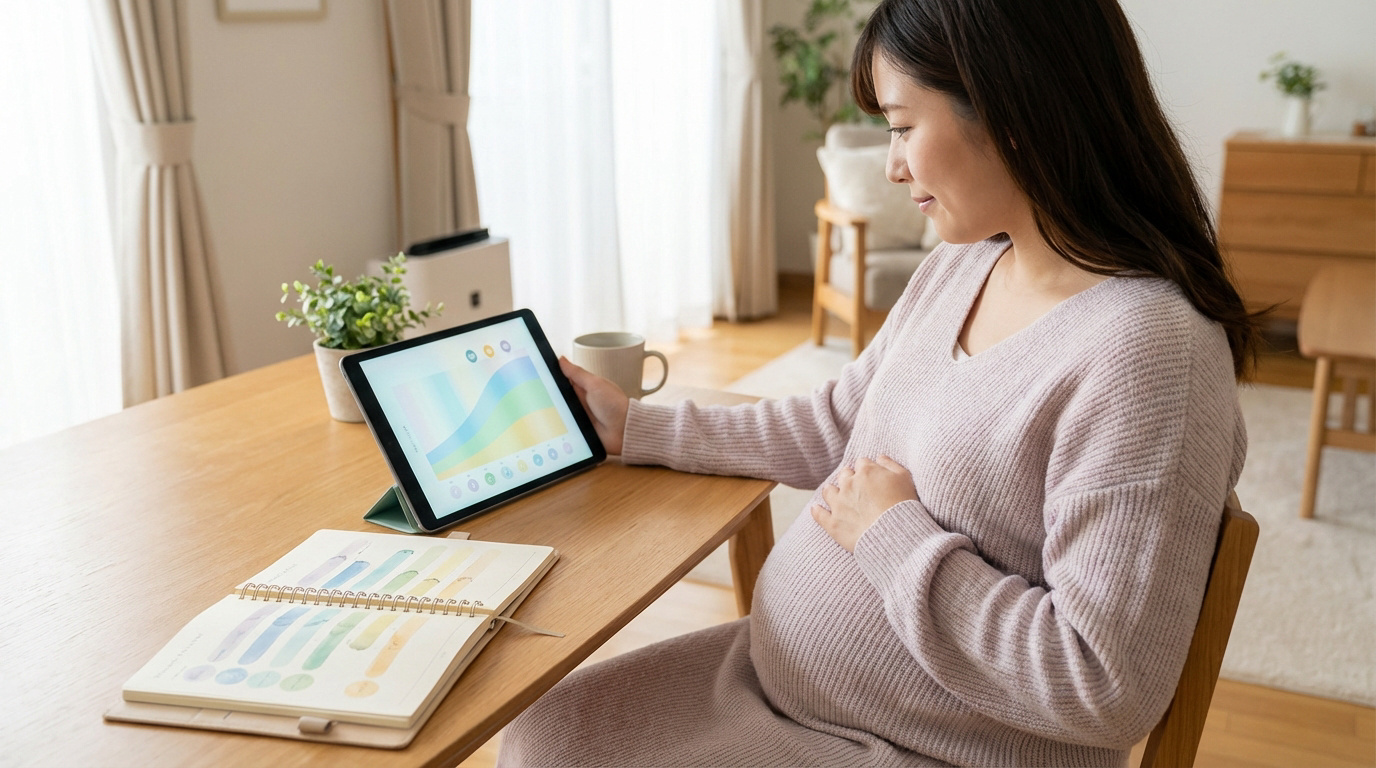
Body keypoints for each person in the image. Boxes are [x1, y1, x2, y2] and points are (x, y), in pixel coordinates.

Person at [498, 0, 1260, 764]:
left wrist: (892, 536)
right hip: (777, 686)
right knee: (540, 730)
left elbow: (1101, 684)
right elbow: (838, 422)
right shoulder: (968, 261)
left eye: (901, 126)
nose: (892, 164)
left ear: (1013, 111)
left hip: (921, 748)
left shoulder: (1150, 353)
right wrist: (638, 428)